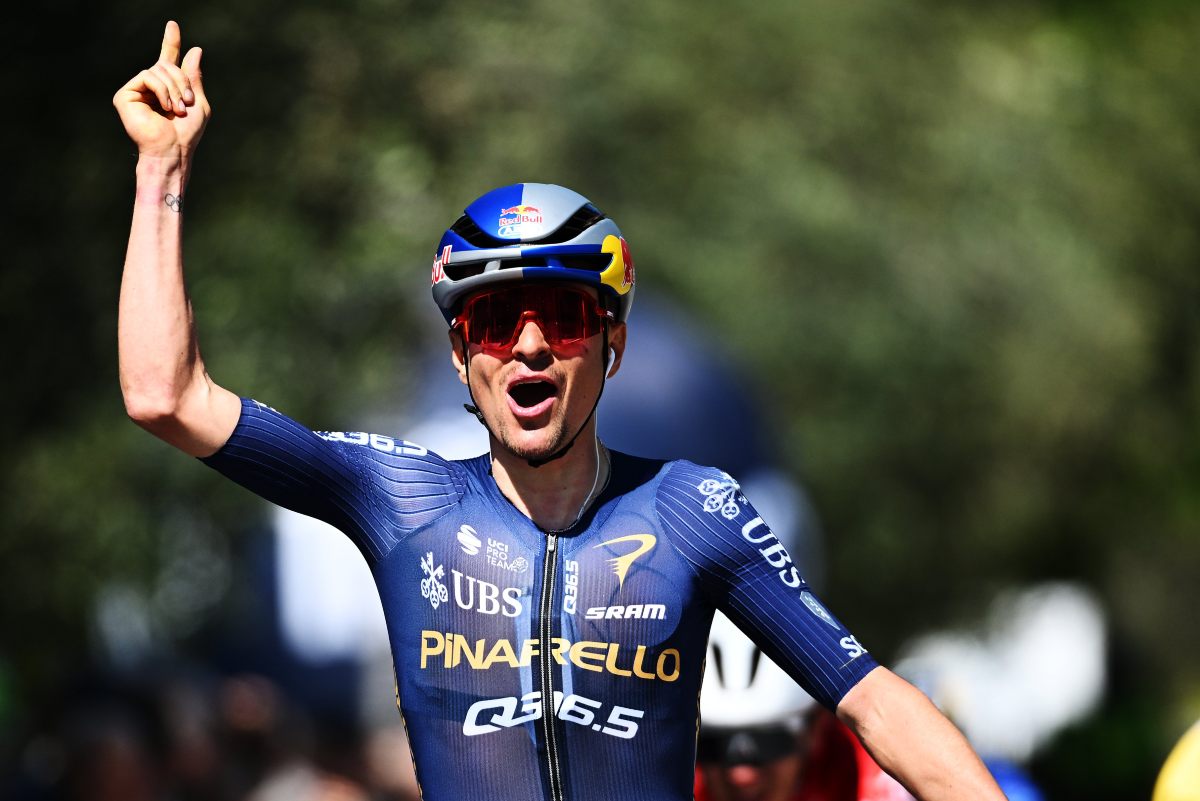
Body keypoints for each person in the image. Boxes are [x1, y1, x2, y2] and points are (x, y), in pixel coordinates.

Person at [114, 21, 1007, 801]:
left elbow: (871, 698)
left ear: (612, 344)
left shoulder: (692, 509)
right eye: (497, 321)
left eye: (567, 318)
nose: (532, 346)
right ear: (461, 354)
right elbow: (165, 396)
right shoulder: (399, 497)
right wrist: (161, 170)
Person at [696, 612, 915, 801]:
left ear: (815, 728)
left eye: (769, 743)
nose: (742, 776)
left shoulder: (869, 772)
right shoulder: (678, 773)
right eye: (713, 747)